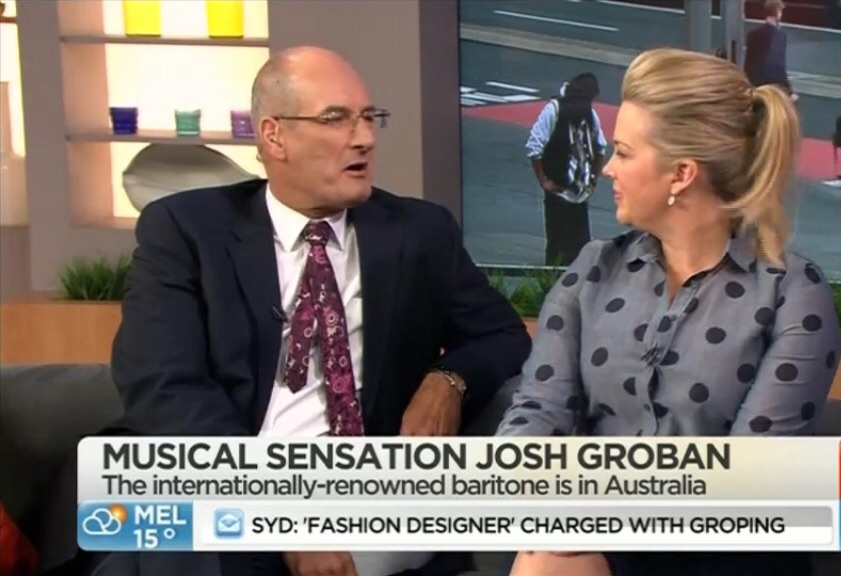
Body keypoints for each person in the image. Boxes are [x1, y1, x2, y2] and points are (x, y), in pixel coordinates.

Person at [92, 47, 531, 576]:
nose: (364, 138)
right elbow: (163, 384)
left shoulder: (418, 232)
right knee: (176, 541)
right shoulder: (187, 230)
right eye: (336, 119)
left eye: (369, 117)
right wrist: (279, 515)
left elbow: (503, 335)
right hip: (229, 478)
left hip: (359, 493)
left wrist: (448, 380)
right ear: (274, 136)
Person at [497, 48, 841, 576]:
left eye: (623, 153)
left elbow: (753, 476)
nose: (607, 167)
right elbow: (536, 414)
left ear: (681, 174)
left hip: (726, 551)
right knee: (546, 556)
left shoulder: (790, 291)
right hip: (595, 534)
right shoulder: (593, 269)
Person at [526, 73, 607, 266]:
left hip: (579, 193)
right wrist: (544, 180)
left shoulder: (589, 114)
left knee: (578, 246)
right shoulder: (554, 110)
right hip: (560, 190)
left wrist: (592, 179)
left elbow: (600, 148)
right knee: (559, 245)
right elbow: (534, 146)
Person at [744, 0, 797, 102]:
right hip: (772, 90)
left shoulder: (753, 34)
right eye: (780, 12)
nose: (781, 15)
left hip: (755, 87)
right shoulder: (779, 36)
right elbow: (777, 67)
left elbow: (748, 64)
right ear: (777, 12)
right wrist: (789, 91)